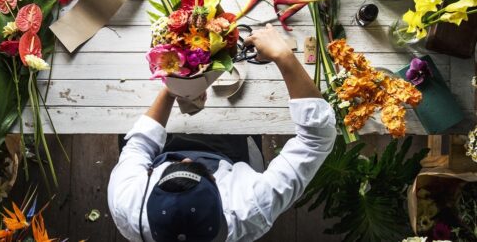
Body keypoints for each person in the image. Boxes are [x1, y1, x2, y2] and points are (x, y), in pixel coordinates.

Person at [108, 24, 336, 242]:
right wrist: (283, 56)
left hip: (162, 150)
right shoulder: (250, 207)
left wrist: (173, 90)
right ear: (219, 198)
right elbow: (316, 139)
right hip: (228, 156)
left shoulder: (126, 204)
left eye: (179, 166)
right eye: (196, 169)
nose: (187, 159)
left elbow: (139, 144)